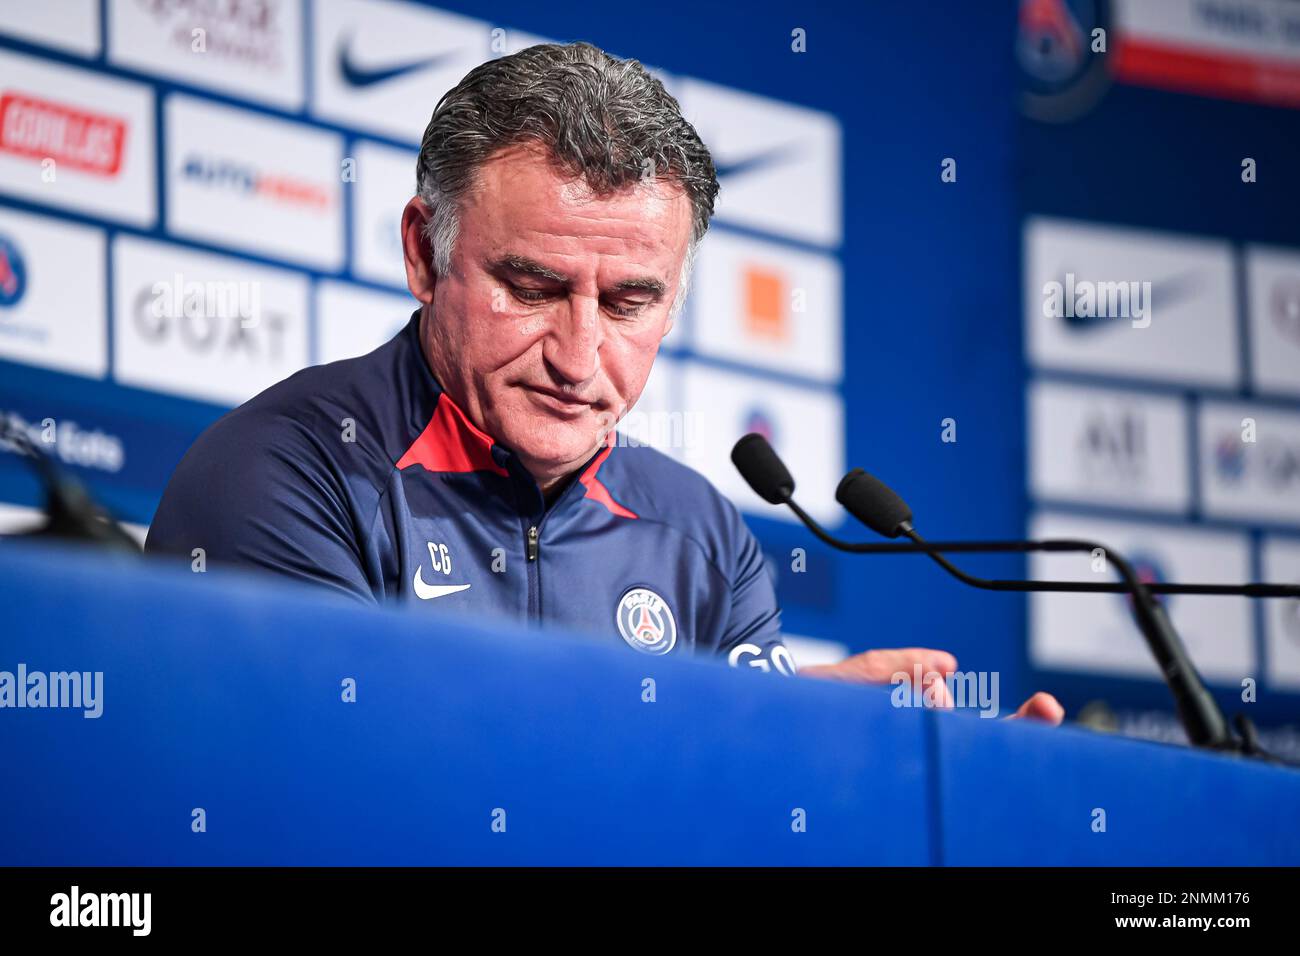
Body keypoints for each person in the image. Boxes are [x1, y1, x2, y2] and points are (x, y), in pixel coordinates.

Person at [146, 41, 1063, 723]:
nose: (580, 358)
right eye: (533, 288)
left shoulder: (702, 536)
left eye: (629, 302)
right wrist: (721, 725)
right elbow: (355, 783)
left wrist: (874, 773)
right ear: (426, 256)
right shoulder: (285, 472)